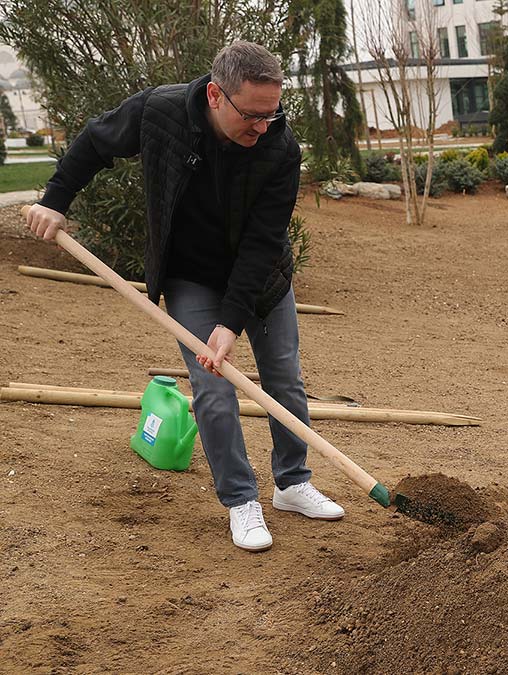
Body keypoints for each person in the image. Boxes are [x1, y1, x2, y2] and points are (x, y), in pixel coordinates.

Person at [25, 41, 344, 552]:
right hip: (190, 276)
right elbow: (95, 142)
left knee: (284, 377)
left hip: (260, 279)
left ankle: (292, 483)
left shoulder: (280, 148)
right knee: (213, 387)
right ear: (216, 95)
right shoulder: (161, 111)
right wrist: (55, 200)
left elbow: (263, 243)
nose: (264, 126)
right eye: (253, 115)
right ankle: (242, 500)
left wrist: (231, 322)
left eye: (272, 112)